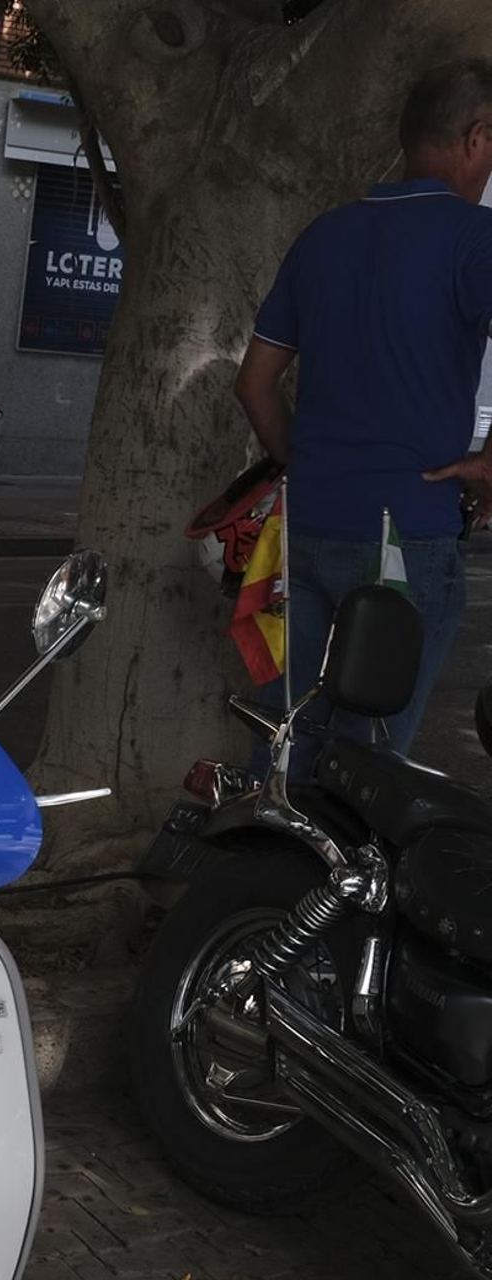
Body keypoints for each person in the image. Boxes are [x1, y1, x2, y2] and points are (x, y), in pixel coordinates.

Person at [232, 57, 492, 763]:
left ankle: (265, 869)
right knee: (366, 763)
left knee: (286, 746)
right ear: (476, 137)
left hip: (306, 531)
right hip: (404, 537)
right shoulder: (475, 236)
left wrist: (305, 463)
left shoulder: (324, 236)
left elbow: (255, 382)